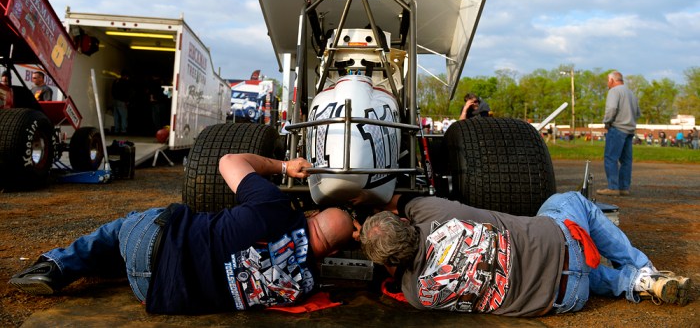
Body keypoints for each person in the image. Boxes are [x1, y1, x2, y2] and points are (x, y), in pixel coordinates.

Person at [9, 153, 359, 314]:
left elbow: (228, 161)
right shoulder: (305, 286)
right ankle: (105, 265)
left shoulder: (273, 206)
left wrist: (284, 167)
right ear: (330, 254)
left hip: (150, 242)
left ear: (311, 213)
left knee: (120, 229)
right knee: (129, 254)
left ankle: (58, 264)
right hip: (154, 293)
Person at [360, 192, 691, 317]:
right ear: (404, 223)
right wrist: (368, 201)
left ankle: (636, 282)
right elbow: (401, 199)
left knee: (571, 276)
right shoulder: (430, 210)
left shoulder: (417, 294)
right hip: (564, 247)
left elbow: (398, 272)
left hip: (563, 301)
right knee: (568, 200)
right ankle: (643, 267)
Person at [597, 71, 641, 197]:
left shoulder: (614, 91)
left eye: (608, 80)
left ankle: (613, 187)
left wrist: (607, 121)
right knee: (626, 161)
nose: (607, 83)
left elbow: (611, 108)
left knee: (611, 158)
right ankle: (624, 188)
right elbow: (638, 113)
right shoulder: (631, 93)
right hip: (629, 130)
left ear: (612, 80)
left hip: (617, 128)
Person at [111, 70, 133, 134]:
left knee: (116, 116)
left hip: (115, 100)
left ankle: (116, 129)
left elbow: (112, 90)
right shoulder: (126, 82)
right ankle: (123, 130)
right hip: (122, 101)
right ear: (126, 76)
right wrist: (127, 100)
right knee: (124, 116)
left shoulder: (116, 81)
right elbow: (129, 92)